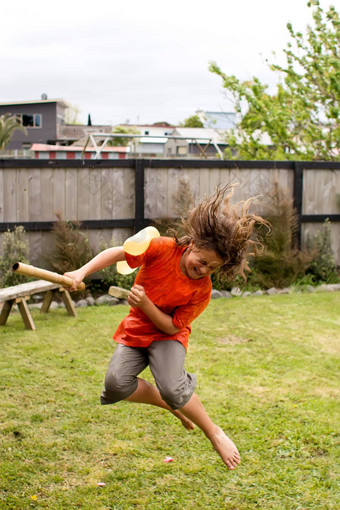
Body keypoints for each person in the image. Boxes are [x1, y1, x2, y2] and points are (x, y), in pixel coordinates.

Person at [65, 183, 267, 470]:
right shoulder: (162, 249)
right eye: (203, 262)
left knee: (174, 387)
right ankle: (167, 400)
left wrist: (146, 304)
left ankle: (214, 432)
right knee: (115, 386)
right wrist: (81, 271)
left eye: (212, 268)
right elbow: (117, 253)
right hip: (137, 329)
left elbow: (173, 328)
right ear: (194, 244)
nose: (204, 270)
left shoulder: (202, 290)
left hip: (168, 336)